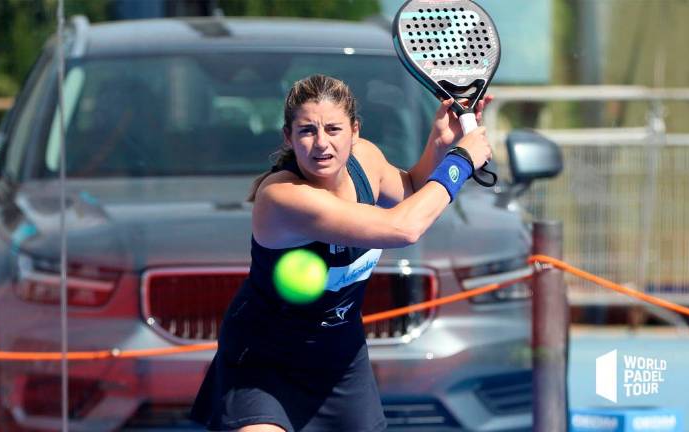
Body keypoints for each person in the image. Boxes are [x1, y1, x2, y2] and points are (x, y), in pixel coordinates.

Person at [190, 74, 492, 432]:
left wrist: (440, 146)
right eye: (307, 131)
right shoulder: (282, 197)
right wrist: (460, 162)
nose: (322, 144)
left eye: (333, 129)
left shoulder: (366, 160)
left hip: (340, 359)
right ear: (288, 137)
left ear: (355, 131)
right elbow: (404, 228)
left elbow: (411, 191)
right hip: (263, 363)